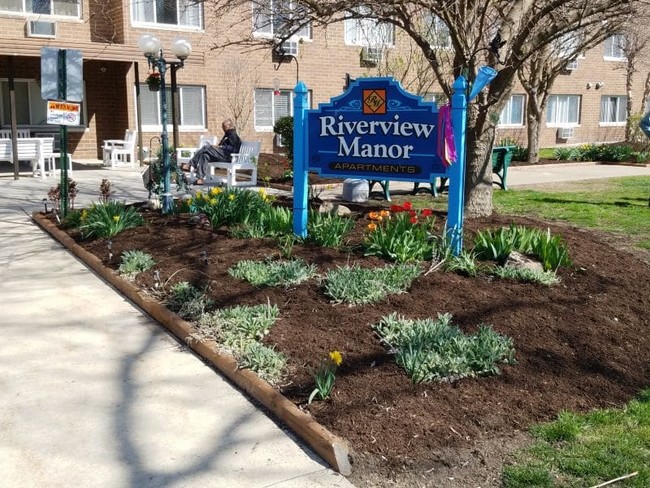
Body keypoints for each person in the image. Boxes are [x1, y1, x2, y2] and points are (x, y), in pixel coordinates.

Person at [182, 119, 241, 185]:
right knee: (205, 155)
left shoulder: (233, 135)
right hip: (223, 155)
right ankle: (200, 179)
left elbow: (234, 149)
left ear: (229, 126)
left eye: (224, 126)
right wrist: (219, 147)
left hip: (229, 157)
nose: (223, 128)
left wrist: (220, 147)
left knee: (206, 147)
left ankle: (190, 164)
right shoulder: (228, 135)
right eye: (222, 127)